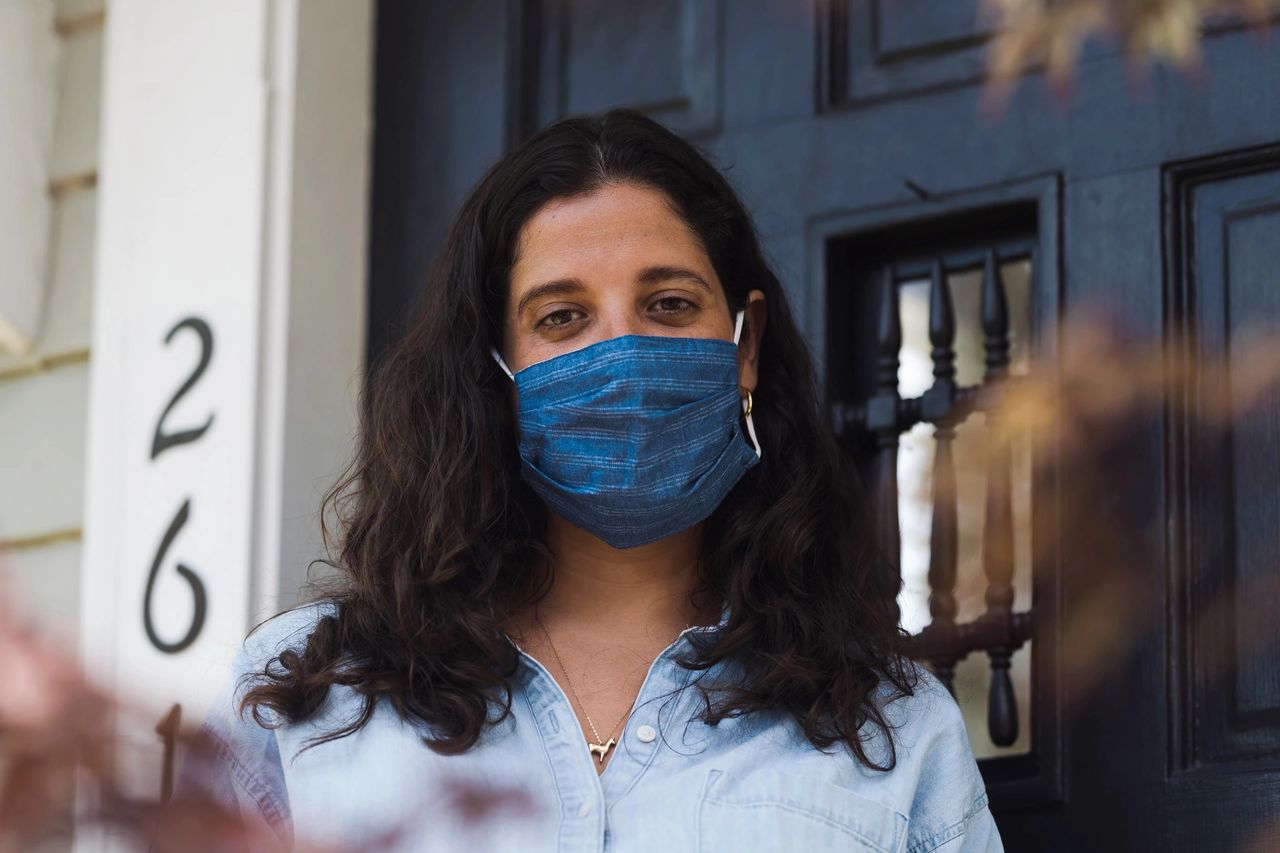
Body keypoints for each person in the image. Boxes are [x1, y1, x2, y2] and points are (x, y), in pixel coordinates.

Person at [180, 108, 1003, 852]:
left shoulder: (889, 726)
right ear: (492, 375)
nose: (623, 354)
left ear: (745, 350)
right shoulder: (310, 700)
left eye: (671, 304)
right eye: (561, 317)